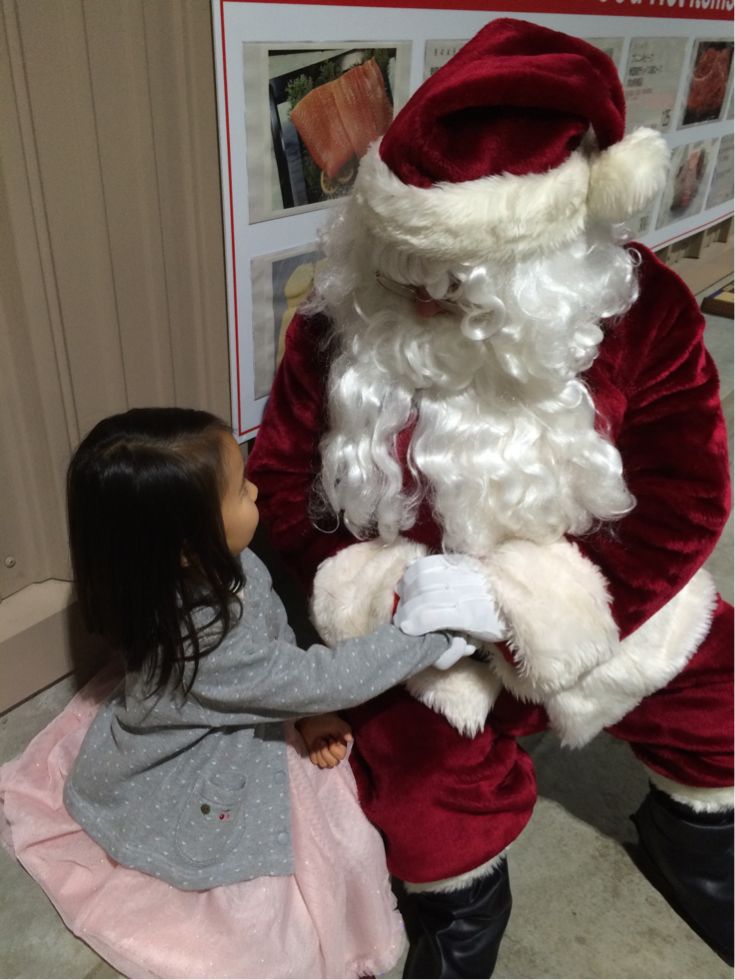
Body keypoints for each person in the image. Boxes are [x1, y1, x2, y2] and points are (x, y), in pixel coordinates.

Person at [246, 17, 734, 978]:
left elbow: (687, 492)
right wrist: (385, 593)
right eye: (404, 264)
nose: (424, 297)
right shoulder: (339, 320)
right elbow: (280, 482)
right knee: (422, 791)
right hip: (412, 629)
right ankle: (461, 918)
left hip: (596, 596)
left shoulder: (644, 313)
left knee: (723, 695)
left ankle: (697, 845)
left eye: (461, 278)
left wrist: (527, 606)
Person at [0, 406, 493, 980]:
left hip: (251, 689)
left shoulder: (220, 561)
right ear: (186, 546)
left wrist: (305, 714)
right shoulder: (203, 640)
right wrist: (423, 638)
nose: (254, 488)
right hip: (200, 760)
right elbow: (318, 679)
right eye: (238, 490)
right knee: (319, 867)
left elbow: (273, 635)